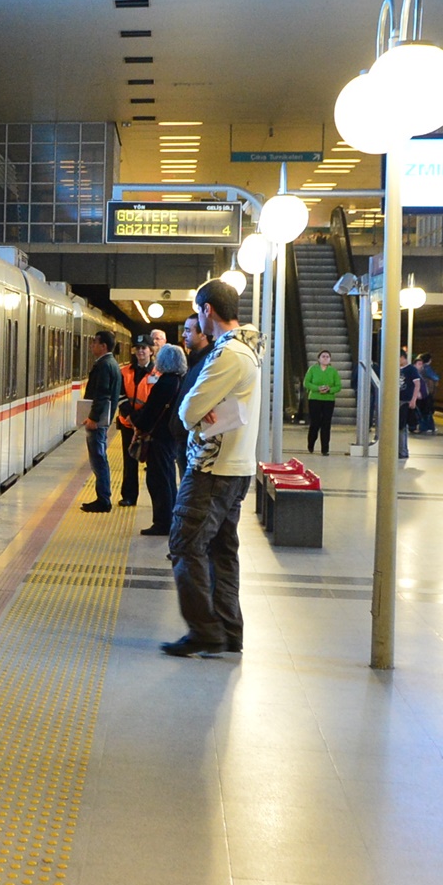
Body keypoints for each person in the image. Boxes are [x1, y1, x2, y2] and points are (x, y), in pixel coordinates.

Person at [163, 280, 259, 659]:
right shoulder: (248, 351)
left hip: (212, 467)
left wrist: (197, 411)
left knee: (184, 543)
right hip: (234, 465)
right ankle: (228, 629)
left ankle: (205, 631)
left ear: (207, 311)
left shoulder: (228, 355)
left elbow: (188, 412)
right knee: (221, 549)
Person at [137, 342, 187, 537]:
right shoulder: (180, 381)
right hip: (171, 437)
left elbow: (151, 410)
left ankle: (162, 522)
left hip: (160, 437)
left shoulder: (165, 383)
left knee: (158, 480)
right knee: (167, 477)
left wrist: (138, 425)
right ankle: (169, 519)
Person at [79, 330, 122, 512]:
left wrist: (93, 418)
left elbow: (102, 394)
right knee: (99, 458)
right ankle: (102, 498)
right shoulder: (111, 364)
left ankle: (103, 500)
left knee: (98, 459)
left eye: (94, 343)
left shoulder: (104, 365)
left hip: (99, 421)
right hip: (103, 419)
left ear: (103, 346)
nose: (92, 346)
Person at [115, 336, 155, 511]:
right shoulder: (124, 372)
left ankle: (156, 500)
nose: (140, 351)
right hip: (128, 424)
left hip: (148, 426)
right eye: (137, 348)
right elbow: (120, 396)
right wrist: (131, 418)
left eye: (144, 348)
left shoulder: (157, 373)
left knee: (152, 463)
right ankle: (129, 496)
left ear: (151, 351)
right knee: (129, 461)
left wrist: (141, 420)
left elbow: (155, 400)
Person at [301, 350, 341, 456]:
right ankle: (311, 444)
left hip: (329, 400)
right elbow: (306, 382)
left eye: (327, 357)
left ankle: (325, 448)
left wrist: (329, 390)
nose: (325, 358)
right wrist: (317, 388)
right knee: (315, 423)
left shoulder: (333, 371)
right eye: (323, 356)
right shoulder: (313, 369)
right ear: (319, 358)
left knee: (326, 424)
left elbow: (338, 386)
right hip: (315, 398)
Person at [416, 354, 440, 433]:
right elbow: (435, 377)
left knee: (424, 409)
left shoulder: (420, 368)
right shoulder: (426, 368)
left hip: (421, 391)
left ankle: (426, 426)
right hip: (427, 391)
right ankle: (427, 427)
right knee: (427, 410)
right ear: (429, 360)